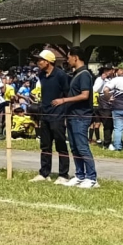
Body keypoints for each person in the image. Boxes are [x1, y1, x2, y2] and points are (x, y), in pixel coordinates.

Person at [51, 47, 97, 187]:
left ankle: (91, 177)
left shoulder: (84, 74)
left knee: (82, 147)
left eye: (69, 57)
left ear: (76, 57)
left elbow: (85, 95)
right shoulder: (76, 74)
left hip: (81, 116)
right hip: (72, 115)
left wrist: (64, 100)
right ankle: (79, 175)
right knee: (74, 147)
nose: (67, 60)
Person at [29, 49, 72, 184]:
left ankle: (63, 175)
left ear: (48, 62)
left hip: (58, 115)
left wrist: (64, 112)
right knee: (45, 145)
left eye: (40, 60)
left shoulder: (61, 75)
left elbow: (67, 95)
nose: (38, 63)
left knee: (60, 145)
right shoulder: (41, 75)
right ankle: (44, 173)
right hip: (45, 114)